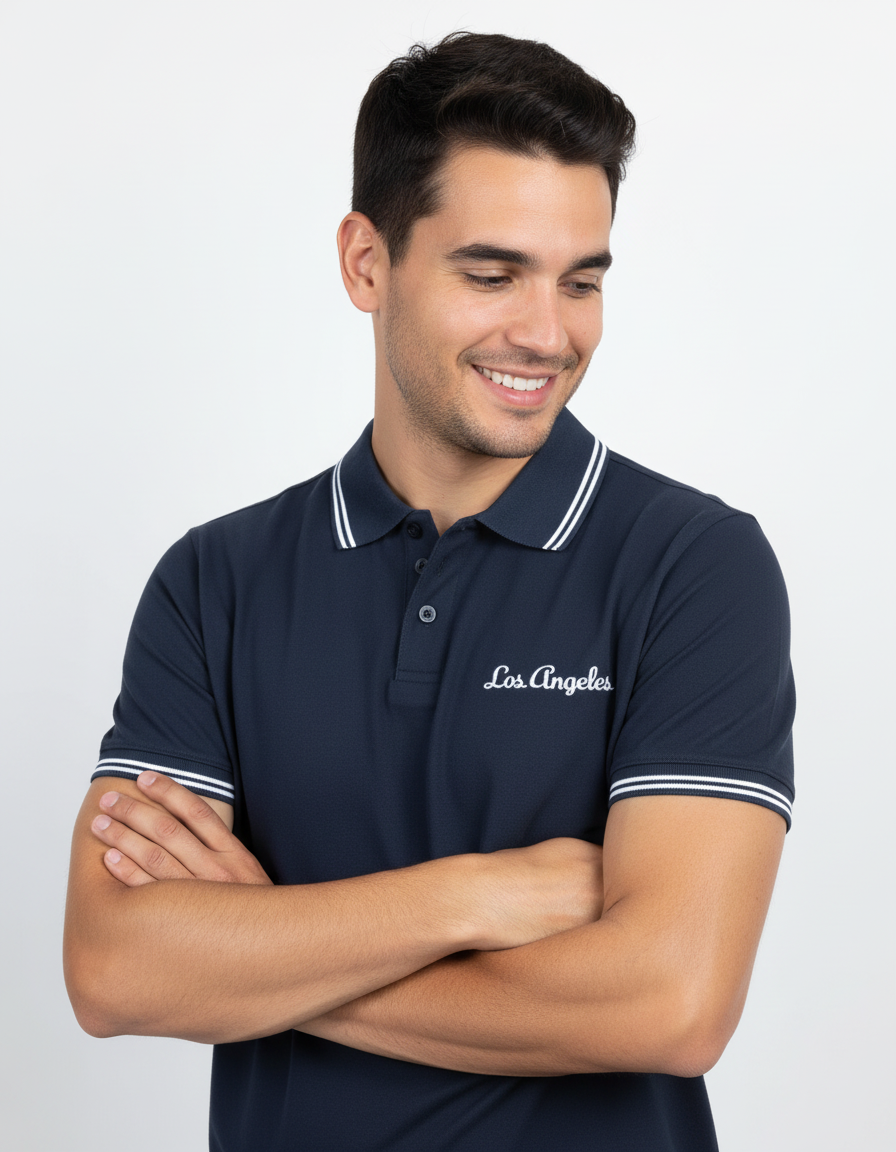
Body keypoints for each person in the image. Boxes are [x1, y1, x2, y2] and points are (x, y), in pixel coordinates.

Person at [63, 31, 795, 1152]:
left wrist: (252, 952)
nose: (546, 334)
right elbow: (116, 970)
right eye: (491, 274)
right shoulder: (213, 582)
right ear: (366, 262)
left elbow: (670, 1003)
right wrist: (473, 897)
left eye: (581, 280)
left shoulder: (692, 565)